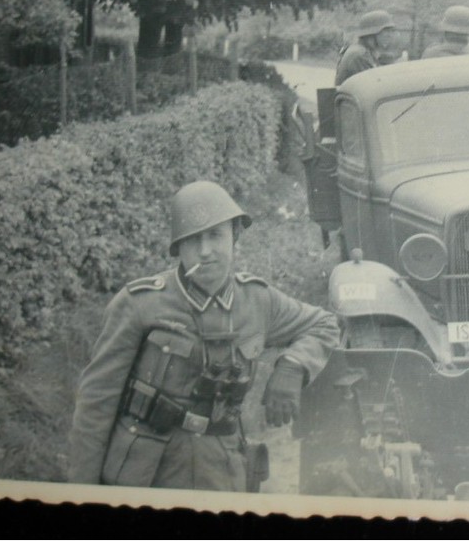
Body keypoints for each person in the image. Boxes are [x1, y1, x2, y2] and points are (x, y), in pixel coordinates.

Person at [68, 181, 340, 491]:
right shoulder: (139, 304)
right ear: (177, 248)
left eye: (215, 236)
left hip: (223, 471)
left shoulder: (258, 300)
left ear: (234, 237)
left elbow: (325, 324)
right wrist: (82, 494)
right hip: (147, 474)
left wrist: (292, 366)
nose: (206, 251)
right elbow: (95, 404)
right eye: (193, 240)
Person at [334, 9, 398, 85]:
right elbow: (375, 86)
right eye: (385, 31)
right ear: (372, 34)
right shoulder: (359, 55)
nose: (389, 35)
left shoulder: (363, 51)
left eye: (391, 31)